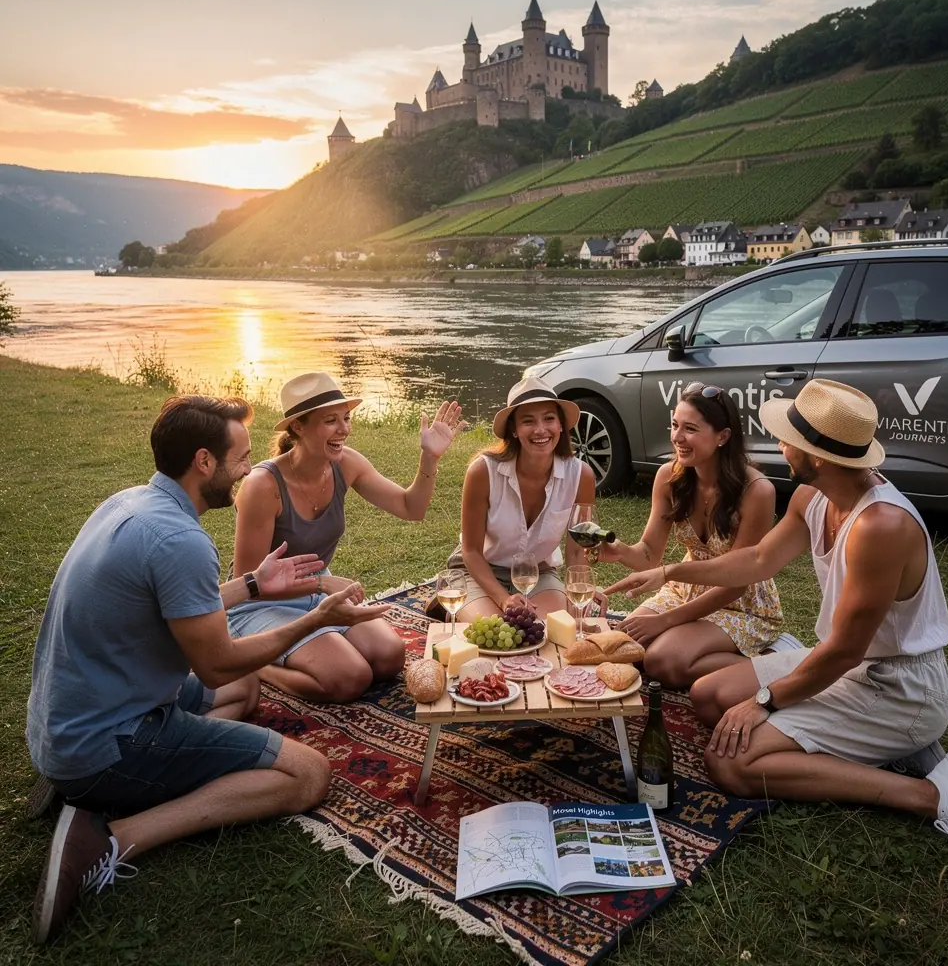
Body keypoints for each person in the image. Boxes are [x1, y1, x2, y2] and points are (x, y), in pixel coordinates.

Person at [606, 379, 948, 873]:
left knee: (731, 764)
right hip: (846, 663)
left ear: (817, 455)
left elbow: (845, 651)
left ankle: (928, 794)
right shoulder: (813, 497)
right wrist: (671, 571)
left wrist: (765, 702)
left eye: (787, 438)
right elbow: (757, 560)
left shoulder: (880, 527)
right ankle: (872, 742)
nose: (780, 445)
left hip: (897, 686)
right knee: (706, 697)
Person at [26, 395, 381, 943]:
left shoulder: (130, 503)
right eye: (239, 459)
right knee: (308, 773)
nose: (247, 471)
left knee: (249, 685)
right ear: (204, 462)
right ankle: (111, 837)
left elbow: (180, 610)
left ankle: (89, 788)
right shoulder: (182, 540)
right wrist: (313, 622)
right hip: (109, 741)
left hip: (65, 721)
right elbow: (214, 666)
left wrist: (255, 586)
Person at [229, 371, 468, 702]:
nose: (344, 429)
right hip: (261, 602)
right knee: (349, 678)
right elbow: (249, 582)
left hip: (315, 590)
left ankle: (310, 642)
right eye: (331, 421)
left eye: (346, 418)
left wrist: (430, 458)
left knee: (389, 657)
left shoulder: (345, 464)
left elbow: (410, 508)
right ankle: (251, 662)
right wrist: (323, 584)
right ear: (298, 426)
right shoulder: (262, 485)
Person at [599, 381, 783, 687]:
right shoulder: (669, 477)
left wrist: (665, 621)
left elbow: (737, 582)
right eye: (674, 425)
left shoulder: (757, 491)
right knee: (623, 649)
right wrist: (621, 551)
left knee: (661, 660)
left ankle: (772, 667)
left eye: (690, 429)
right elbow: (649, 555)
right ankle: (687, 646)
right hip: (685, 589)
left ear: (723, 436)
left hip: (741, 602)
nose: (677, 437)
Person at [449, 377, 603, 621]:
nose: (540, 429)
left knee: (547, 628)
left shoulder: (581, 476)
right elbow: (471, 551)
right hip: (480, 569)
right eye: (528, 421)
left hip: (538, 571)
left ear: (561, 425)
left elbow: (576, 552)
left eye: (549, 418)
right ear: (514, 429)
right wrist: (503, 599)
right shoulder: (482, 472)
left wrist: (581, 586)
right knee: (497, 630)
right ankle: (456, 605)